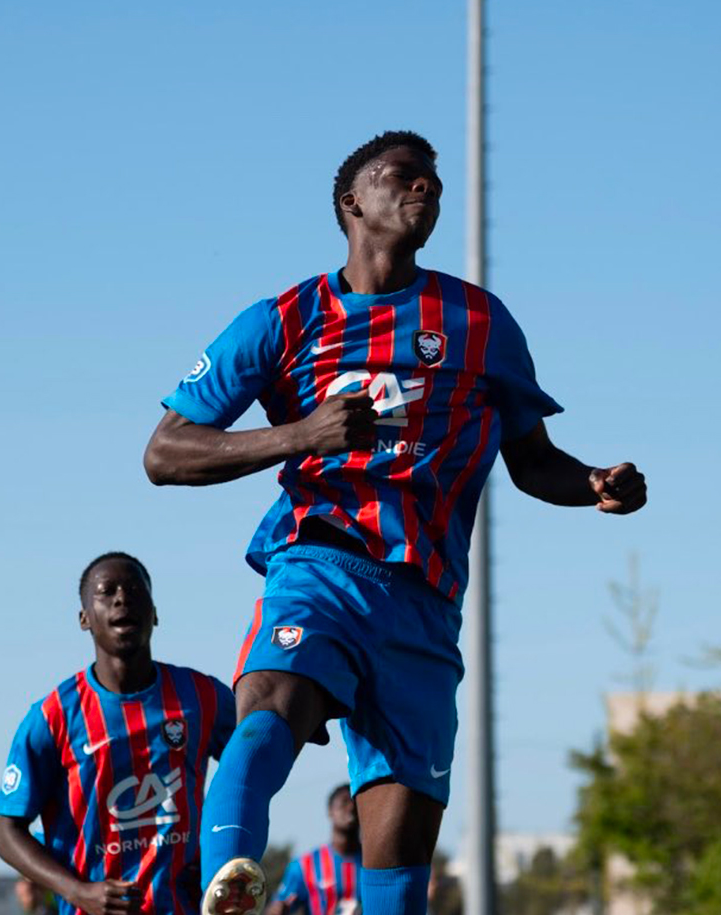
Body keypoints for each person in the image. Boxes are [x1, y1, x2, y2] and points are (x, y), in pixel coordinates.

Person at [144, 130, 647, 915]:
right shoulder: (284, 320)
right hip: (322, 564)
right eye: (403, 175)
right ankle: (230, 877)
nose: (425, 187)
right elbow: (166, 450)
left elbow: (533, 460)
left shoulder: (479, 321)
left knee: (400, 851)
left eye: (433, 181)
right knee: (270, 700)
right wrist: (300, 434)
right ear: (351, 201)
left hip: (424, 604)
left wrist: (592, 484)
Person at [0, 552, 236, 915]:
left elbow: (252, 773)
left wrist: (222, 853)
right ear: (84, 618)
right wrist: (78, 891)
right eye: (107, 592)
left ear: (154, 613)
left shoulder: (203, 697)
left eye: (136, 590)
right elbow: (5, 832)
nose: (123, 598)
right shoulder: (53, 716)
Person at [267, 784, 361, 915]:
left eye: (355, 803)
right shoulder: (304, 865)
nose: (351, 807)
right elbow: (278, 906)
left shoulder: (376, 863)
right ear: (330, 811)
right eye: (344, 802)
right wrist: (278, 908)